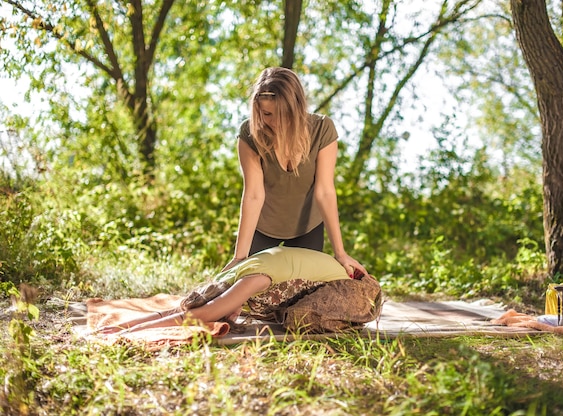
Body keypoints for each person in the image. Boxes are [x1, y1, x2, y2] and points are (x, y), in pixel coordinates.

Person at [222, 67, 368, 279]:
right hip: (264, 227)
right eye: (267, 114)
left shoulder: (322, 129)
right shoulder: (250, 134)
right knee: (244, 285)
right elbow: (253, 194)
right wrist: (239, 258)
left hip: (307, 228)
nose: (275, 122)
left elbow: (325, 192)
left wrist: (341, 253)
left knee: (300, 297)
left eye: (283, 114)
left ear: (296, 107)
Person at [97, 246, 353, 335]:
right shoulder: (239, 275)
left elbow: (200, 314)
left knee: (298, 321)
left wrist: (128, 329)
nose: (232, 315)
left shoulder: (247, 278)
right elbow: (190, 311)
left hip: (348, 289)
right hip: (331, 270)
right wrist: (128, 325)